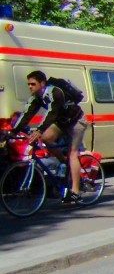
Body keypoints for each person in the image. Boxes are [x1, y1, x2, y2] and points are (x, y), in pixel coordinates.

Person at [13, 70, 89, 204]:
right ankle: (64, 161)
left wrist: (39, 130)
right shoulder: (36, 97)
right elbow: (26, 114)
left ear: (42, 83)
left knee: (73, 153)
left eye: (33, 84)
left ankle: (75, 192)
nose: (30, 86)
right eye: (28, 84)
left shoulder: (55, 92)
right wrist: (13, 132)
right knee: (46, 139)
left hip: (76, 121)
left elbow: (51, 113)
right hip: (62, 122)